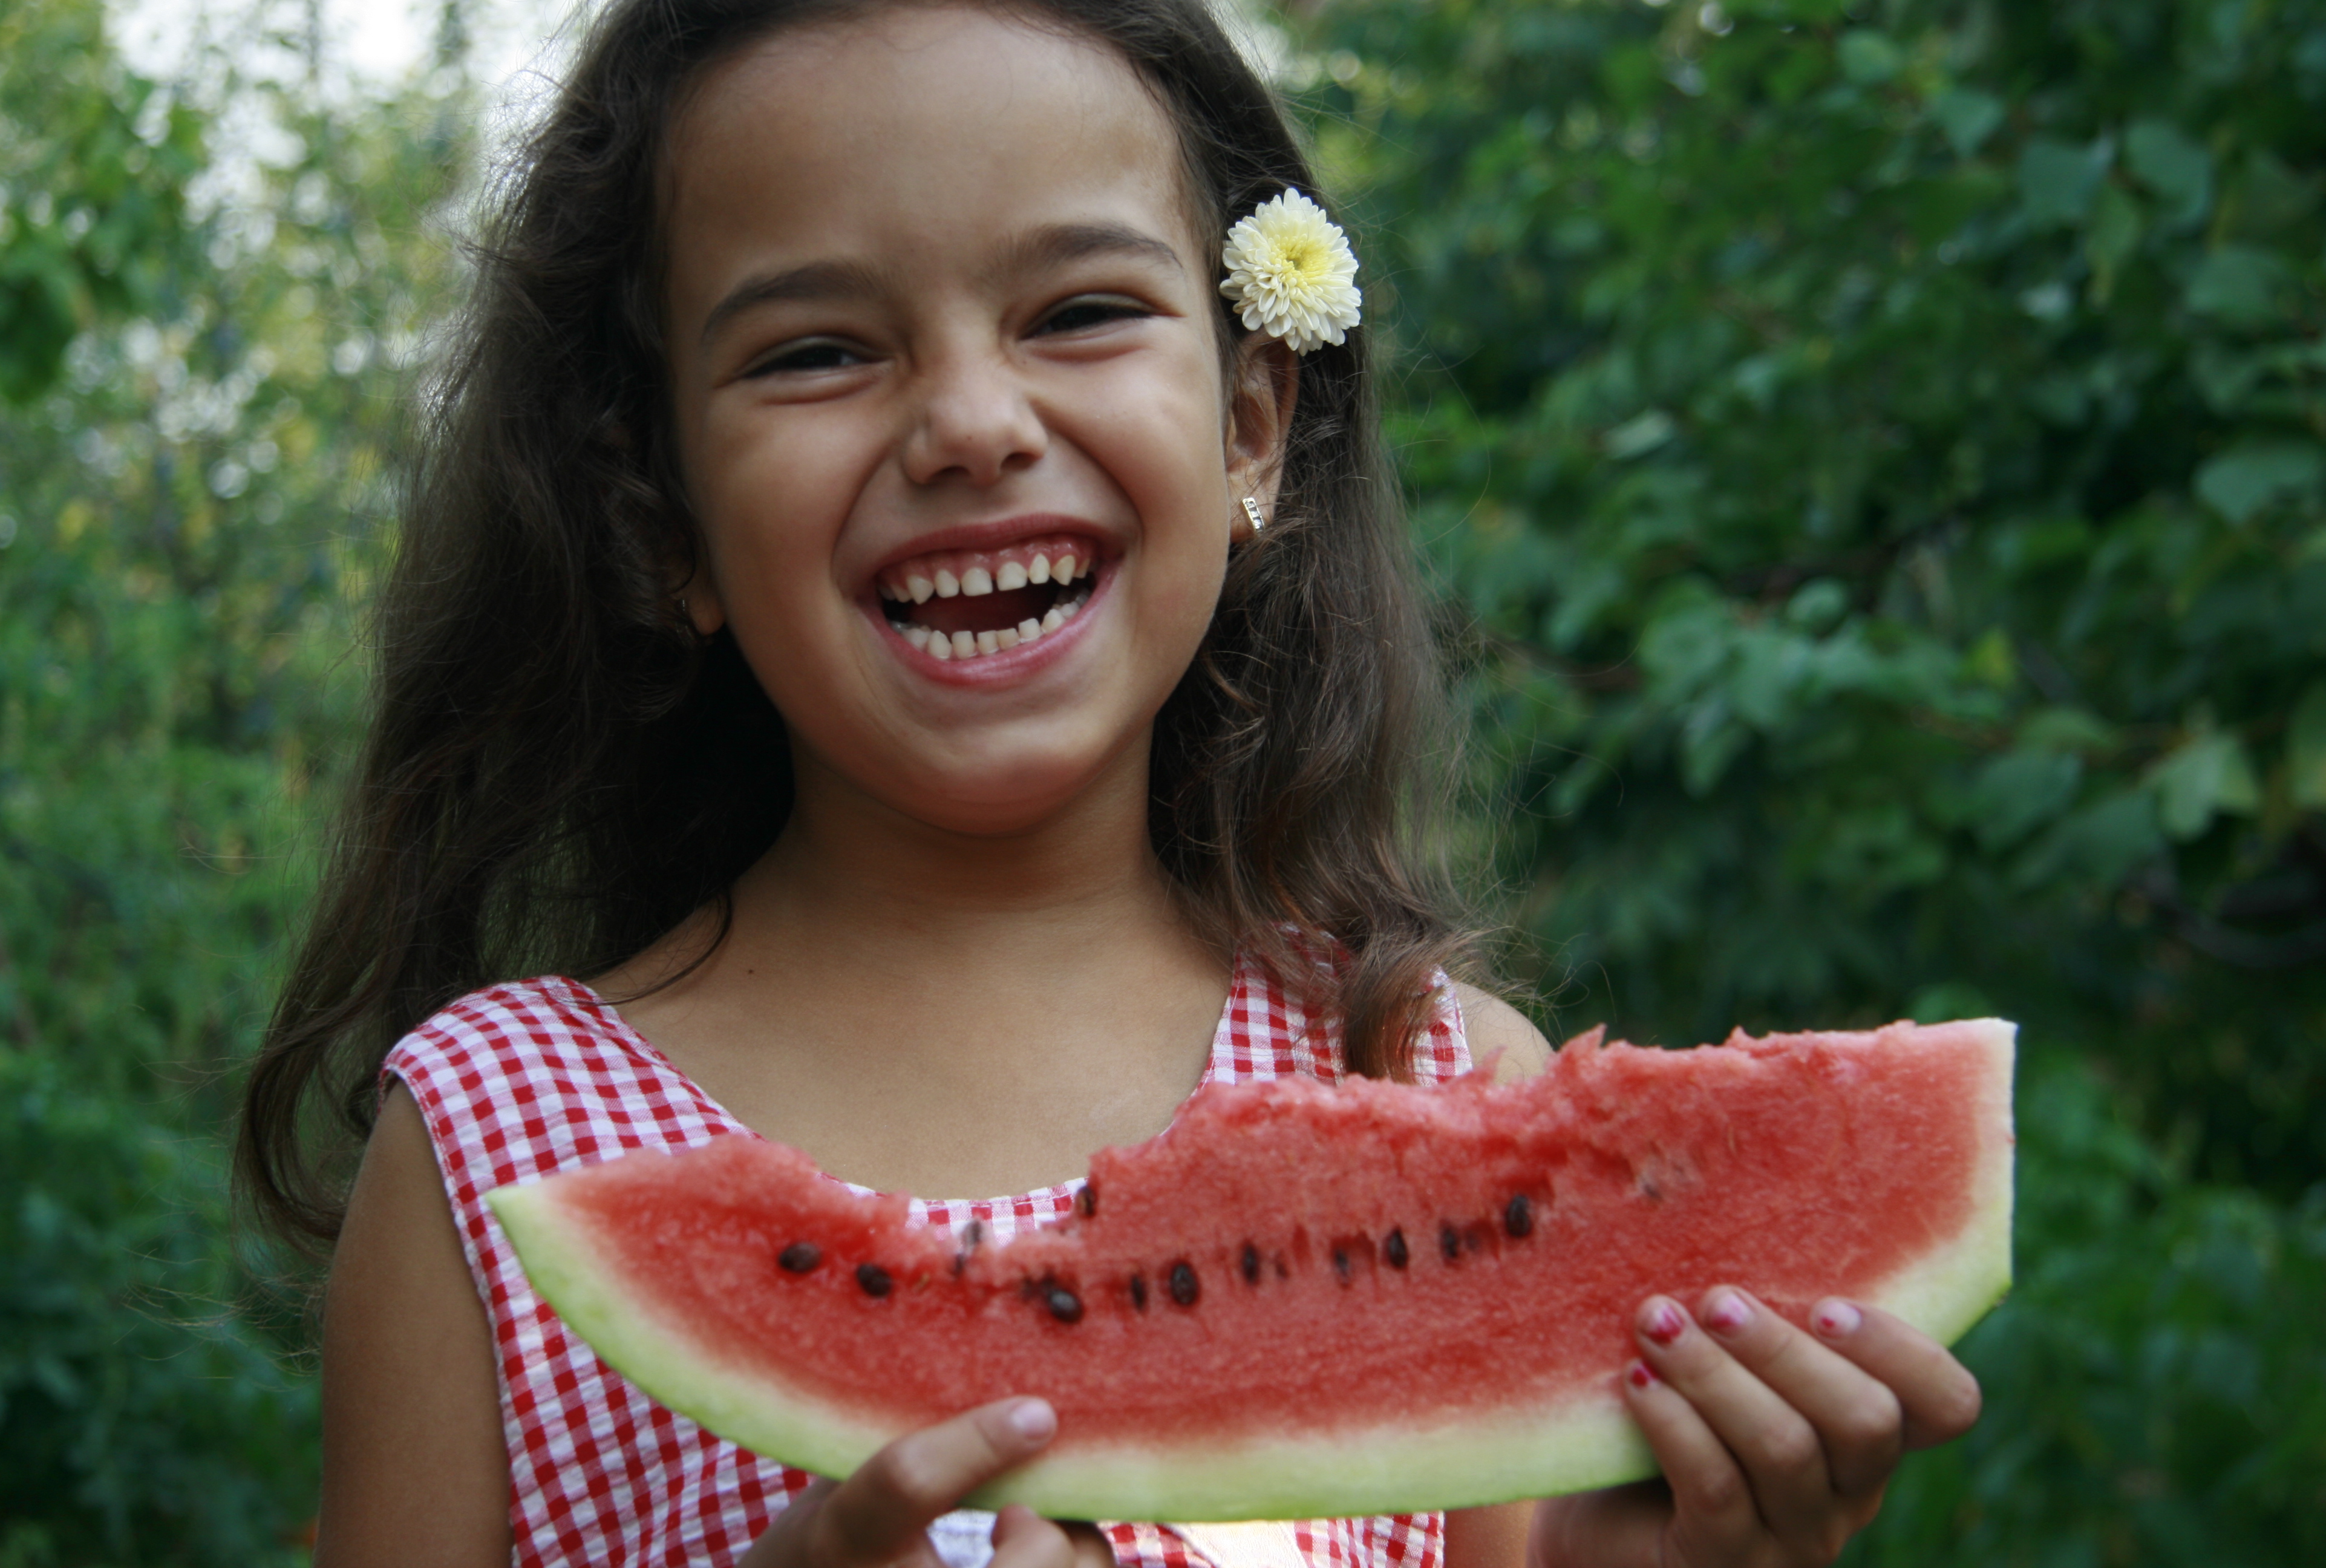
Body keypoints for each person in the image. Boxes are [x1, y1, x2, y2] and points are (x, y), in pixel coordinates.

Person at [235, 1, 1983, 1564]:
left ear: (1250, 429)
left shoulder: (1437, 1081)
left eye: (1076, 311)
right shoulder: (496, 1150)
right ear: (663, 521)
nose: (972, 421)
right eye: (817, 353)